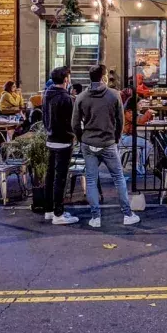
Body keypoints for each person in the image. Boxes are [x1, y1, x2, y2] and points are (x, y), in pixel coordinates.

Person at [72, 64, 140, 228]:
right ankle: (127, 214)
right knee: (118, 178)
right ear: (103, 77)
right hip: (108, 142)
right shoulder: (114, 95)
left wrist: (82, 138)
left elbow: (75, 124)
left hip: (88, 142)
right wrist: (116, 138)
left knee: (91, 180)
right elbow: (120, 120)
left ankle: (95, 217)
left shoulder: (81, 97)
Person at [42, 66, 79, 225]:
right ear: (66, 79)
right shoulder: (66, 98)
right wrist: (74, 135)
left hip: (50, 139)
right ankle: (59, 214)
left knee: (50, 176)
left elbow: (44, 117)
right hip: (63, 141)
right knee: (60, 178)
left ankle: (49, 210)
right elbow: (71, 122)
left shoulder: (47, 95)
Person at [120, 92, 155, 175]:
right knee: (148, 144)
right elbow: (139, 121)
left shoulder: (131, 112)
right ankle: (140, 165)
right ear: (134, 104)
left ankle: (139, 164)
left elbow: (141, 120)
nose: (141, 105)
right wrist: (148, 113)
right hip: (124, 138)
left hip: (127, 137)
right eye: (140, 103)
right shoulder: (128, 112)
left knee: (145, 144)